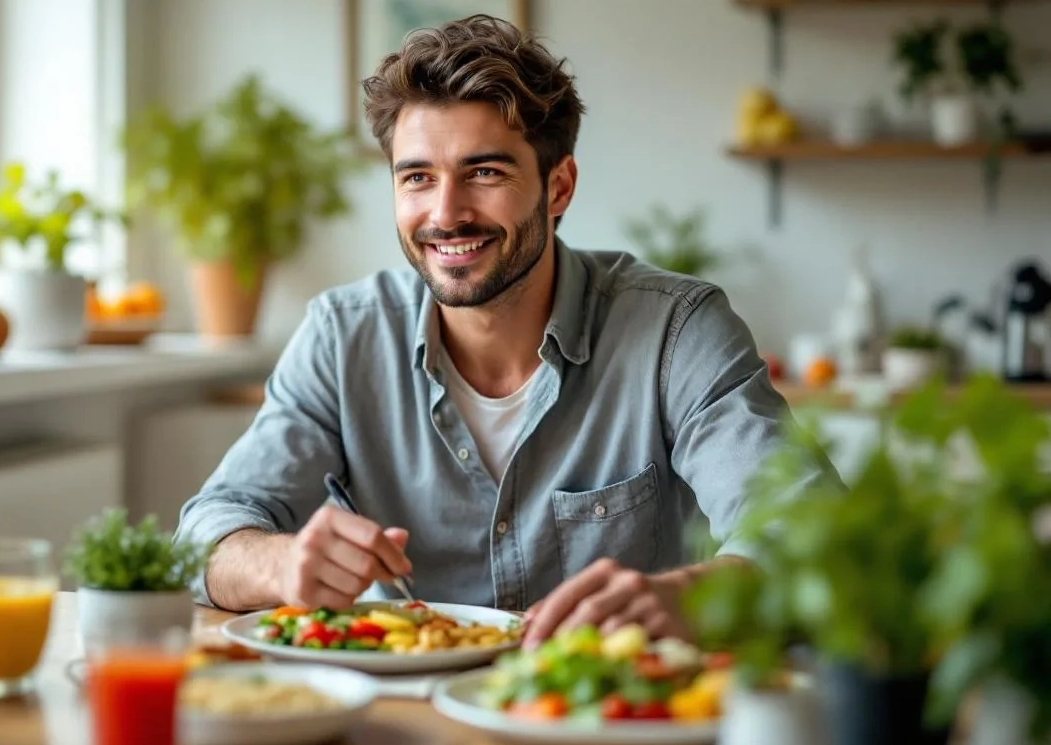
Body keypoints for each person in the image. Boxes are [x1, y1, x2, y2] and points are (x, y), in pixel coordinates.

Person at [174, 14, 829, 647]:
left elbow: (813, 537)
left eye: (485, 172)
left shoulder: (675, 331)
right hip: (404, 718)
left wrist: (686, 601)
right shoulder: (342, 339)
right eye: (417, 178)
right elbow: (205, 534)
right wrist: (280, 565)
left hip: (609, 714)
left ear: (559, 186)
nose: (446, 213)